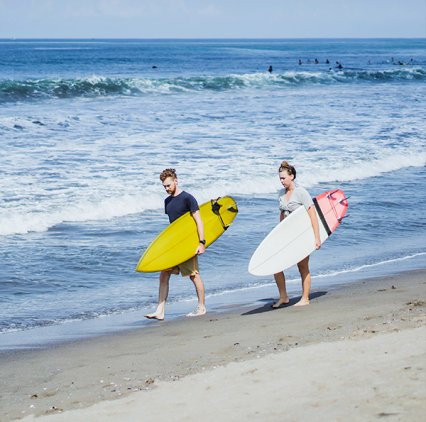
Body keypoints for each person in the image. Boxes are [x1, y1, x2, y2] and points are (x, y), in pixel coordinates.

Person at [145, 168, 207, 320]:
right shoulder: (167, 201)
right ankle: (160, 311)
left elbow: (199, 221)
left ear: (176, 181)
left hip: (187, 244)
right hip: (174, 246)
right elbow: (173, 226)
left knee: (194, 275)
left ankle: (201, 307)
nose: (166, 189)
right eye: (164, 186)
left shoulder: (188, 198)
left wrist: (201, 242)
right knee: (164, 274)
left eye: (168, 185)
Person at [272, 161, 321, 307]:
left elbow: (313, 215)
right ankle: (284, 297)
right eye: (280, 178)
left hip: (301, 235)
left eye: (283, 178)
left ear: (292, 176)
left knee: (302, 266)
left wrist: (317, 238)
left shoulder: (301, 192)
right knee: (276, 265)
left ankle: (305, 298)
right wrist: (279, 232)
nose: (281, 181)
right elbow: (282, 214)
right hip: (287, 236)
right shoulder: (281, 194)